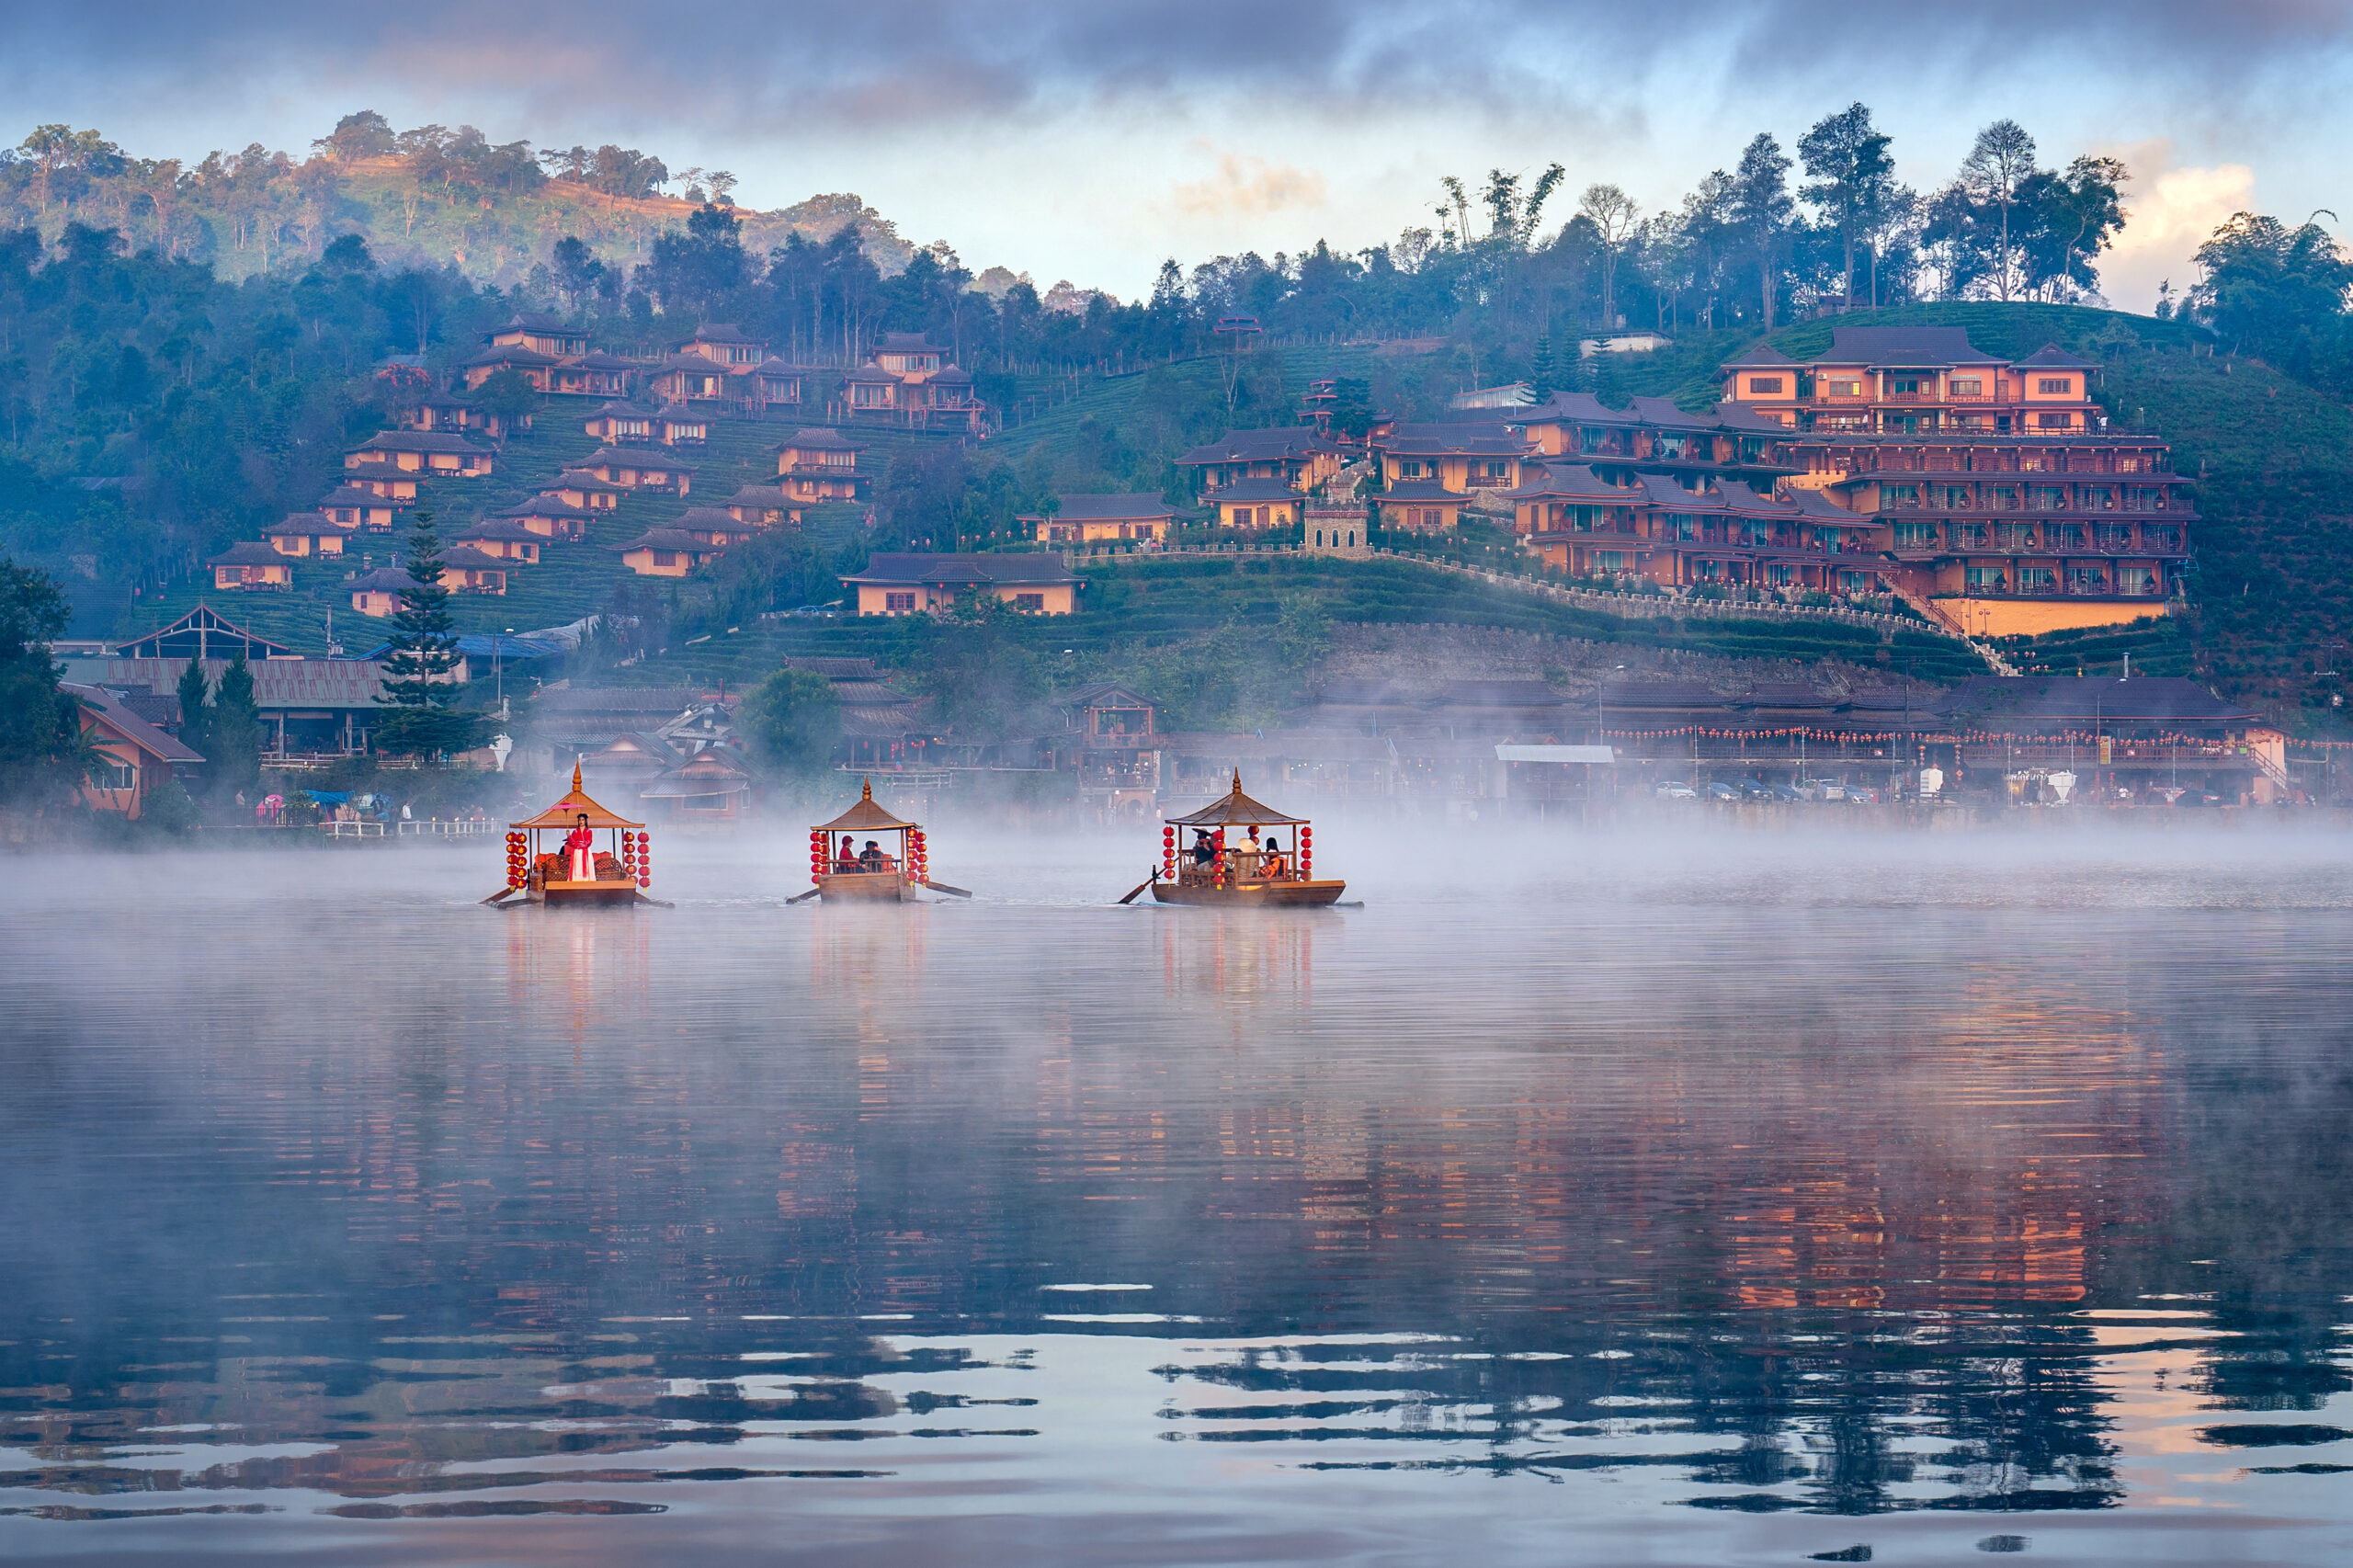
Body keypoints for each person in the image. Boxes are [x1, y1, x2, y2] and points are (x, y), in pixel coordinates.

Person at [564, 812, 596, 881]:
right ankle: (577, 880)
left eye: (582, 820)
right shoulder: (575, 831)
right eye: (579, 820)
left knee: (587, 865)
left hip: (586, 851)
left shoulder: (589, 831)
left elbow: (589, 841)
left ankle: (587, 880)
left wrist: (580, 844)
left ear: (585, 821)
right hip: (577, 851)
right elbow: (572, 843)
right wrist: (569, 836)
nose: (581, 822)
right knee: (577, 865)